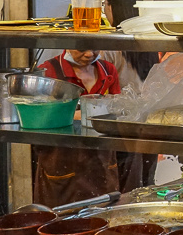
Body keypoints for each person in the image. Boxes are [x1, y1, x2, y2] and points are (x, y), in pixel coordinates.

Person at [34, 49, 122, 206]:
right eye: (81, 48)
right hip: (61, 164)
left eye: (94, 48)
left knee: (103, 216)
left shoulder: (108, 70)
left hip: (102, 162)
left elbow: (117, 110)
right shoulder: (49, 71)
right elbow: (40, 117)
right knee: (62, 220)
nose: (89, 54)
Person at [103, 0, 161, 190]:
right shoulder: (149, 37)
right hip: (149, 121)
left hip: (123, 124)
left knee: (123, 186)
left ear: (111, 7)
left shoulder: (111, 44)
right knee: (146, 183)